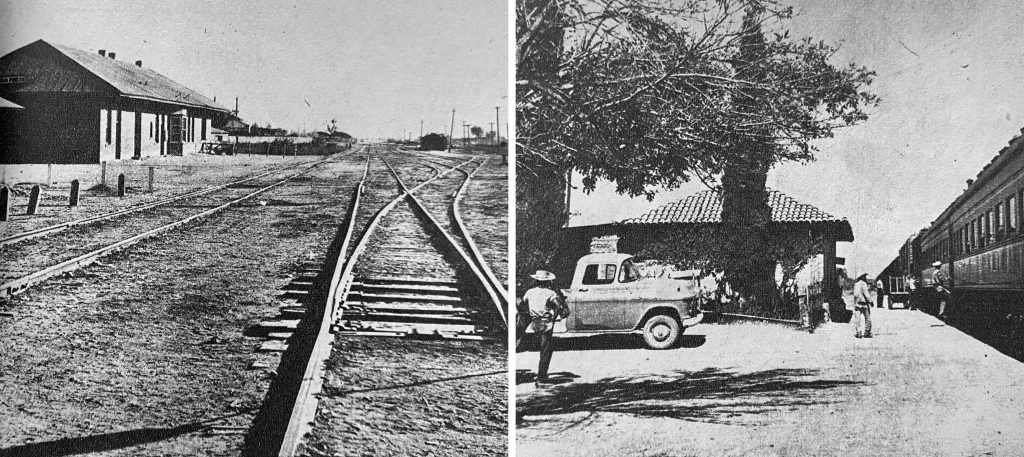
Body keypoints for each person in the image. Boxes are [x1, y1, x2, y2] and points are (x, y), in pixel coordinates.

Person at [522, 270, 568, 387]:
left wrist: (530, 312)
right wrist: (554, 317)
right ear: (547, 281)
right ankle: (542, 377)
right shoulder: (550, 293)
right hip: (546, 321)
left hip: (535, 321)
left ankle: (542, 376)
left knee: (541, 347)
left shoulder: (529, 292)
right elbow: (559, 306)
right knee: (545, 349)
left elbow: (522, 304)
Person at [853, 273, 873, 338]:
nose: (866, 278)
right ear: (862, 277)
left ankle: (858, 332)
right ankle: (867, 332)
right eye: (865, 277)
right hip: (864, 304)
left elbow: (855, 295)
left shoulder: (856, 284)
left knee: (857, 319)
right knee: (868, 318)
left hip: (857, 304)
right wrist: (870, 301)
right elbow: (866, 294)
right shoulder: (863, 284)